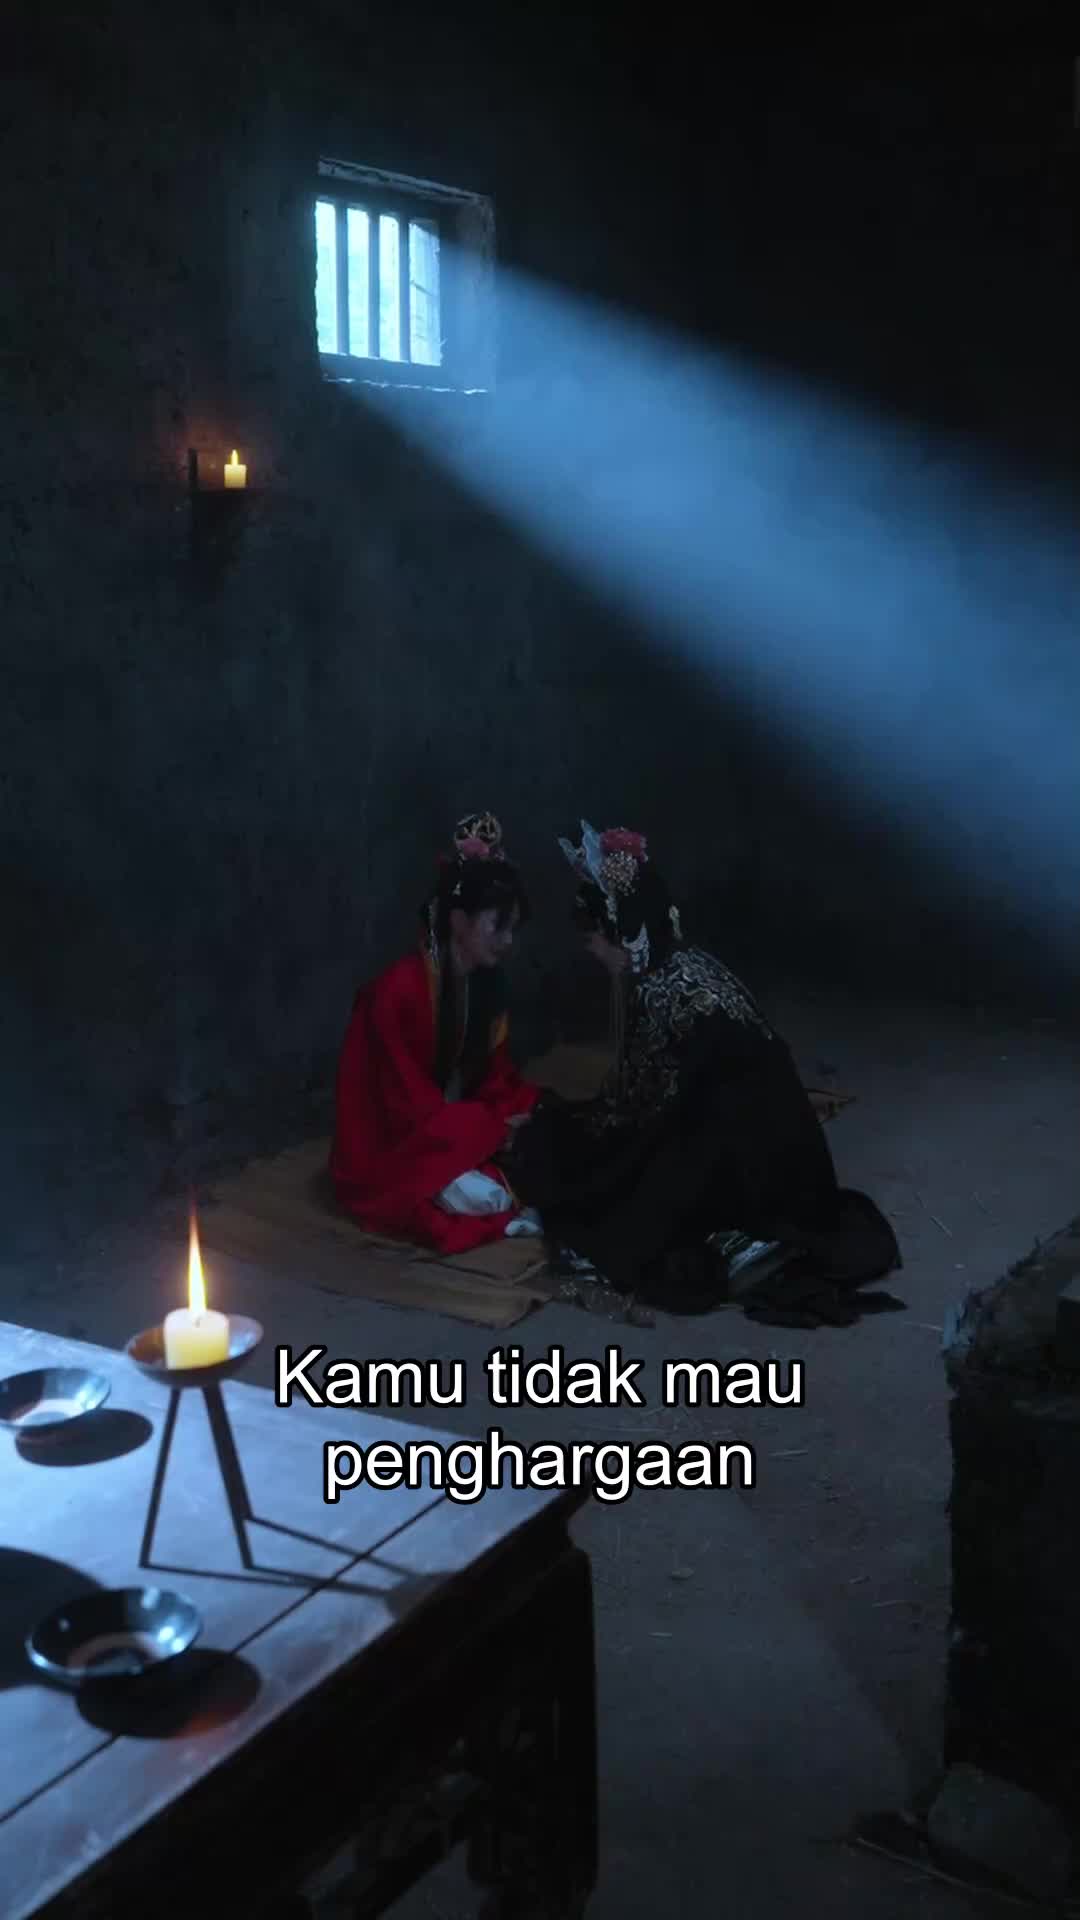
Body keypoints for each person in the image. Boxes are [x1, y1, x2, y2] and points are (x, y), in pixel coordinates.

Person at [507, 821, 903, 1327]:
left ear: (622, 931)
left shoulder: (659, 994)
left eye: (596, 939)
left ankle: (742, 1238)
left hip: (753, 1172)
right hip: (797, 1163)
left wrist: (559, 1135)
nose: (593, 953)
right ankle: (754, 1237)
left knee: (608, 1192)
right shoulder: (693, 964)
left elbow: (633, 1111)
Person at [330, 811, 541, 1254]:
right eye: (498, 926)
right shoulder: (397, 991)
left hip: (453, 1128)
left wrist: (515, 1118)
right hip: (399, 1141)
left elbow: (496, 1079)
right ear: (459, 921)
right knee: (481, 1195)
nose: (507, 941)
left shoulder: (487, 986)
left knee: (551, 1136)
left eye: (512, 929)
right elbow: (402, 1103)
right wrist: (488, 1128)